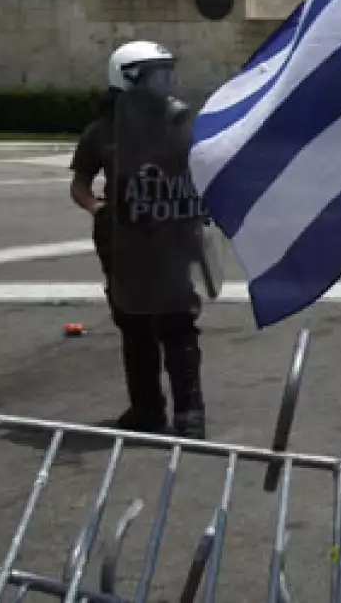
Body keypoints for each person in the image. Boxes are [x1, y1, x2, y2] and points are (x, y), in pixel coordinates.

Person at [69, 40, 209, 439]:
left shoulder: (180, 123)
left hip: (172, 235)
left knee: (179, 322)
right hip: (124, 242)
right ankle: (147, 409)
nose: (165, 82)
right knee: (135, 325)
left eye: (168, 72)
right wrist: (98, 209)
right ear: (126, 79)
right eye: (154, 74)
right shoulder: (102, 132)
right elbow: (80, 185)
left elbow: (202, 170)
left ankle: (190, 413)